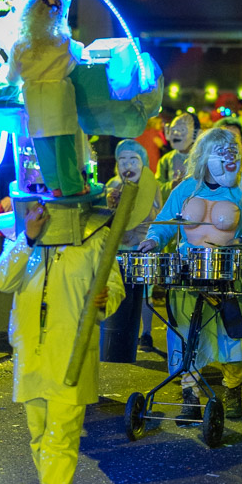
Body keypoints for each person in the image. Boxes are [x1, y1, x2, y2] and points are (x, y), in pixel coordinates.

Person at [0, 200, 125, 484]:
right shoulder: (26, 226)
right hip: (31, 349)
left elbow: (115, 287)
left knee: (60, 438)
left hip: (73, 351)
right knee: (39, 436)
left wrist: (105, 300)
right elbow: (2, 280)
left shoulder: (97, 232)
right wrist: (28, 239)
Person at [140, 125, 242, 420]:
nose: (229, 157)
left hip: (229, 272)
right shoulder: (187, 188)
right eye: (220, 151)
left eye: (232, 150)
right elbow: (164, 223)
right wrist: (153, 239)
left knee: (228, 336)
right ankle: (190, 394)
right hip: (188, 271)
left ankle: (232, 389)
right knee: (185, 333)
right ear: (204, 156)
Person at [8, 0, 87, 198]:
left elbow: (11, 78)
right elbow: (75, 61)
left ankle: (55, 187)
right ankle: (73, 186)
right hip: (59, 100)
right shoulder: (64, 43)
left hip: (34, 101)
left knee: (43, 147)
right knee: (65, 148)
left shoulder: (19, 47)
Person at [105, 138, 162, 351]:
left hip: (141, 246)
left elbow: (158, 212)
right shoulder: (112, 186)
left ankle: (145, 333)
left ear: (143, 163)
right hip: (119, 246)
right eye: (123, 160)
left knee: (144, 292)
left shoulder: (150, 185)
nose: (128, 165)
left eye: (133, 160)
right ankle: (118, 331)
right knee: (119, 290)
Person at [155, 111, 200, 201]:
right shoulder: (165, 160)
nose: (176, 133)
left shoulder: (202, 159)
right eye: (173, 129)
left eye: (182, 130)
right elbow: (156, 188)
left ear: (196, 134)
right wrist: (171, 185)